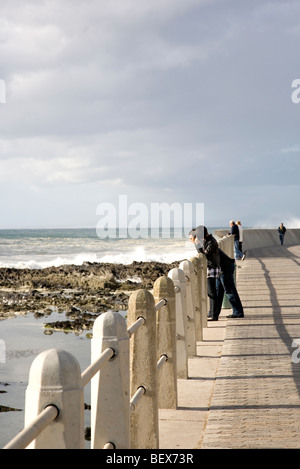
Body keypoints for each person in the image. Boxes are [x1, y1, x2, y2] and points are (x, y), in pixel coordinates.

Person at [189, 226, 220, 321]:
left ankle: (214, 315)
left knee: (212, 292)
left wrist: (197, 245)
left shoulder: (211, 242)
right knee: (210, 292)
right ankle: (211, 312)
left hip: (212, 268)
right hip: (210, 267)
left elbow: (205, 255)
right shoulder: (208, 240)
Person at [217, 249, 244, 318]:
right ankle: (214, 313)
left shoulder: (209, 244)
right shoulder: (208, 243)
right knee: (219, 292)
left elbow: (208, 254)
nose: (191, 239)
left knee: (230, 291)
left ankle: (238, 312)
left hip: (225, 269)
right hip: (223, 269)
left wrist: (198, 245)